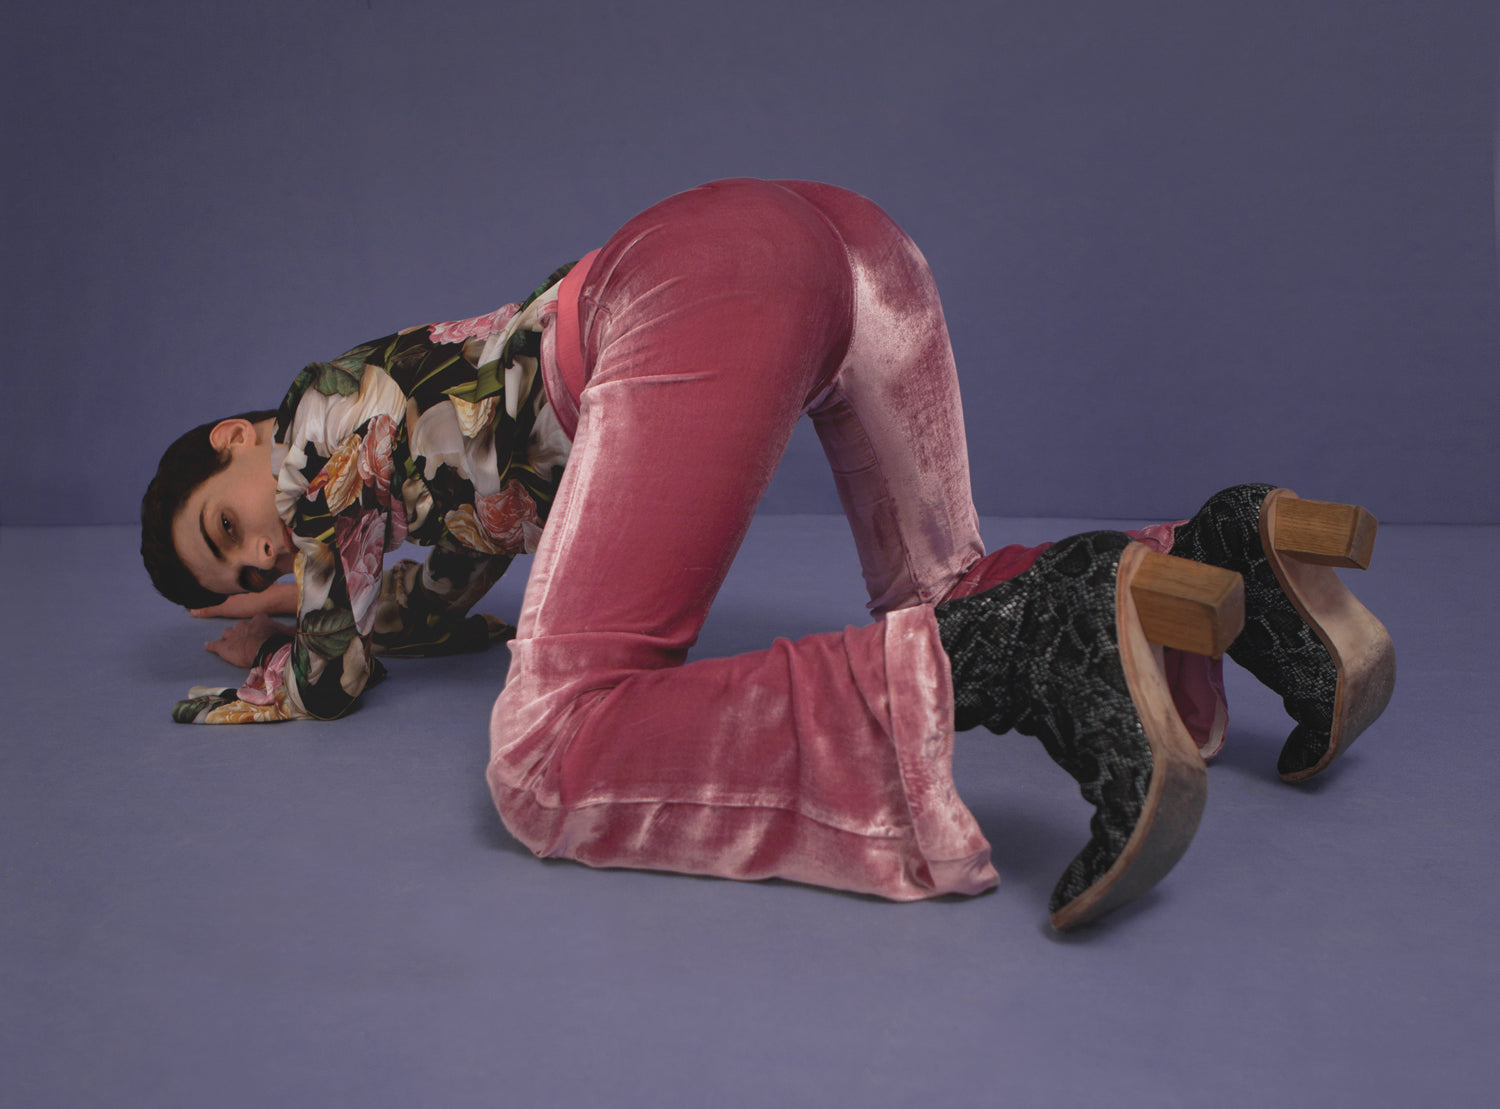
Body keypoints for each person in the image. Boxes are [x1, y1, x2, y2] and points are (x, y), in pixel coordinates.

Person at [141, 179, 1394, 930]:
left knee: (544, 759)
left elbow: (330, 666)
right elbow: (424, 606)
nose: (263, 548)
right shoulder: (422, 479)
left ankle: (1028, 652)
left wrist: (276, 664)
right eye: (240, 570)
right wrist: (330, 610)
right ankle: (1218, 556)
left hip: (695, 279)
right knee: (941, 585)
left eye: (225, 525)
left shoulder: (313, 423)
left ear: (234, 437)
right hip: (836, 244)